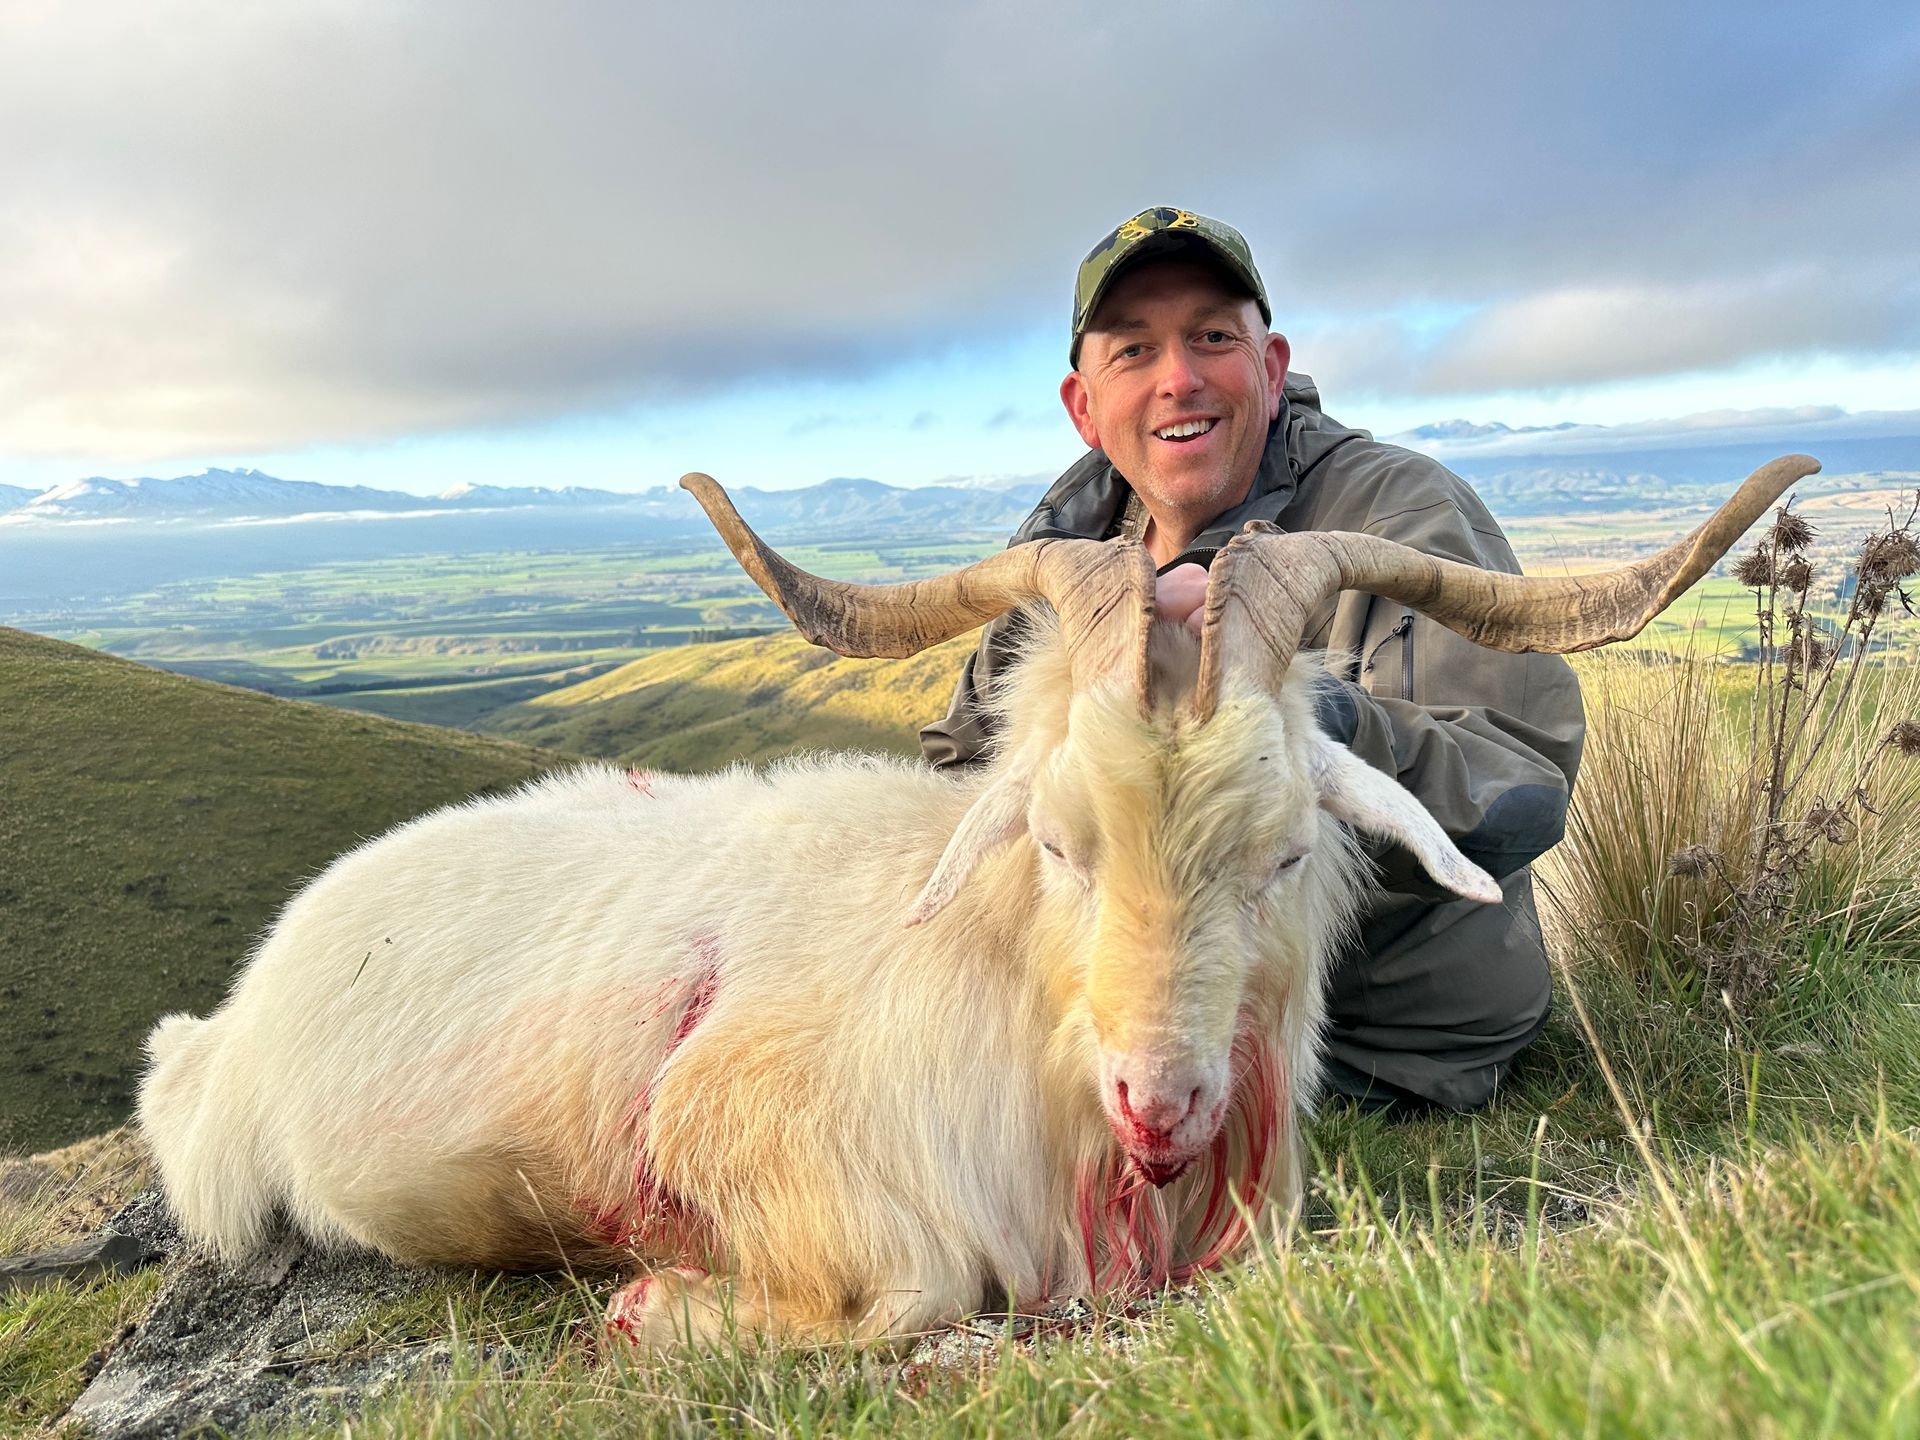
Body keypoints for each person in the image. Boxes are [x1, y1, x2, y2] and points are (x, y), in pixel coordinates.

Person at [920, 206, 1585, 1113]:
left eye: (1212, 336)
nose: (1179, 379)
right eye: (1133, 351)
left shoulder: (1402, 511)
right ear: (1084, 407)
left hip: (1378, 1042)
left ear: (1269, 368)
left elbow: (1520, 785)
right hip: (1116, 1024)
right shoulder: (1071, 548)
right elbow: (963, 767)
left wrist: (1296, 718)